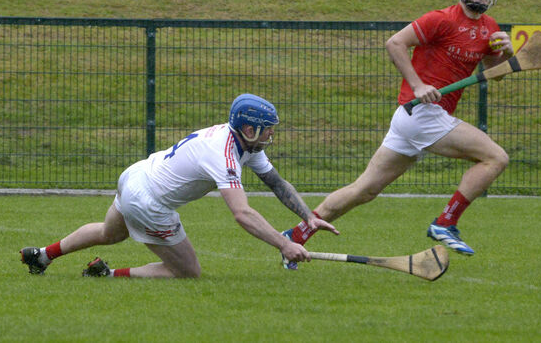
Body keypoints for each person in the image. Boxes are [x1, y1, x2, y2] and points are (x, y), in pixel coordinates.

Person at [281, 0, 514, 269]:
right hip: (422, 113)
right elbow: (395, 43)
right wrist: (417, 85)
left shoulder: (490, 28)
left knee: (364, 190)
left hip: (415, 121)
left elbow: (491, 74)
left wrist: (505, 54)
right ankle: (445, 222)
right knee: (495, 157)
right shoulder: (441, 19)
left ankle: (295, 235)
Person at [20, 93, 338, 278]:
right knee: (188, 272)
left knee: (109, 233)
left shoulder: (243, 144)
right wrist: (284, 244)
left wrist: (307, 217)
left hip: (137, 175)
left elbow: (275, 181)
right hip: (149, 202)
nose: (271, 135)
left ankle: (43, 256)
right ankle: (108, 275)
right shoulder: (224, 154)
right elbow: (242, 214)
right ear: (249, 128)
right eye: (266, 130)